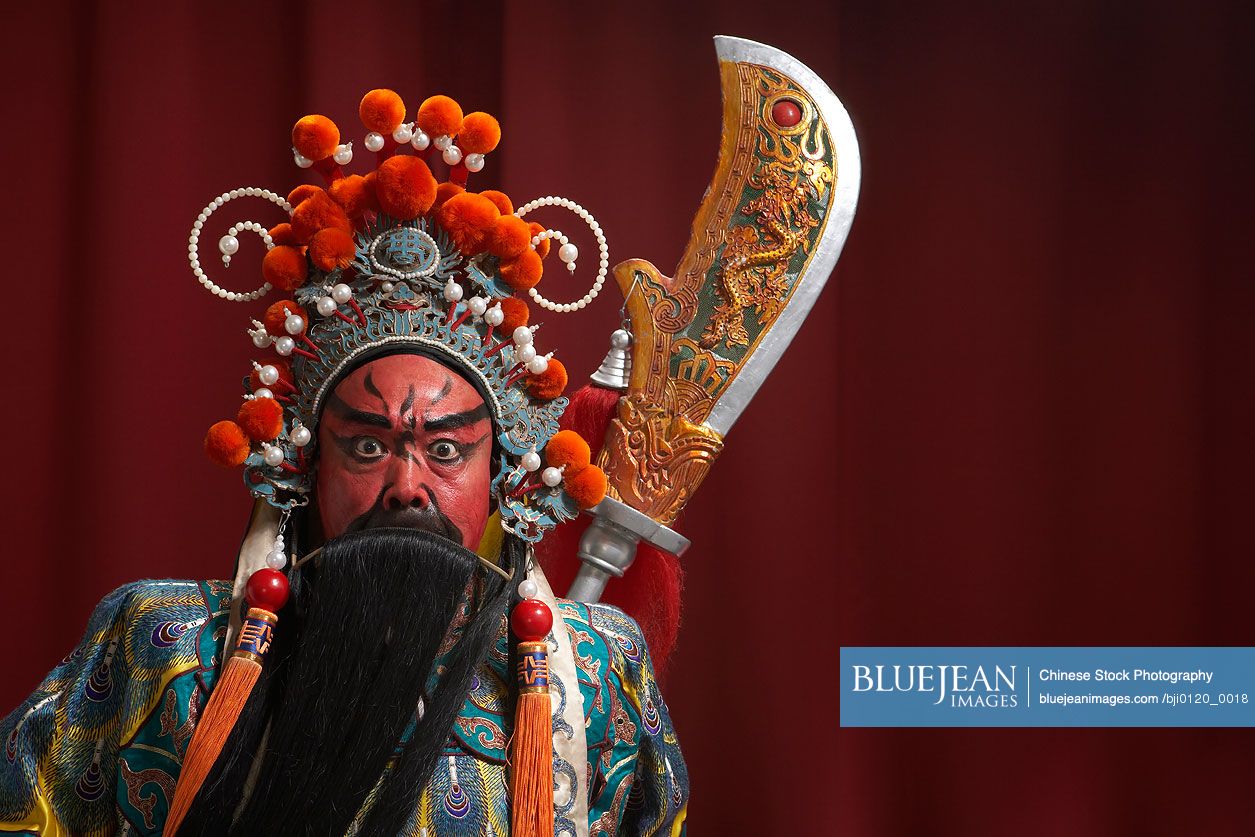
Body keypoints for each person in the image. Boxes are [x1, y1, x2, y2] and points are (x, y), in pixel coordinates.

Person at [0, 89, 688, 836]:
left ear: (504, 476)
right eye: (366, 445)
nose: (405, 486)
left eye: (447, 449)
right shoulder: (162, 645)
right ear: (302, 464)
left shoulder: (594, 670)